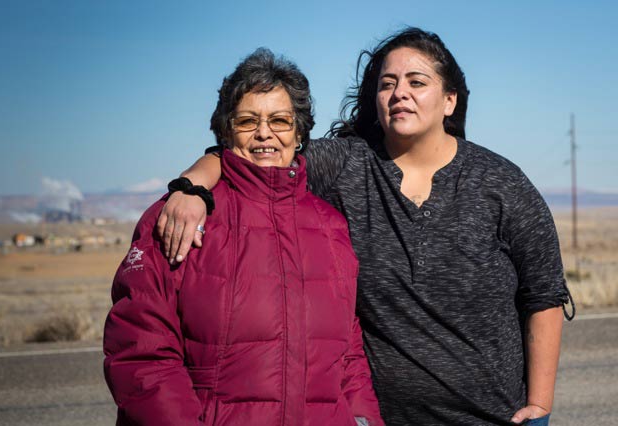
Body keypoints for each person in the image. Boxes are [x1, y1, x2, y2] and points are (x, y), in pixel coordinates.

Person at [157, 28, 574, 425]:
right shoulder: (345, 166)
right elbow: (261, 151)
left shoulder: (502, 184)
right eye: (387, 83)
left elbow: (543, 294)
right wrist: (191, 187)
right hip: (384, 418)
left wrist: (539, 404)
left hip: (491, 416)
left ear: (449, 100)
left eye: (417, 82)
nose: (400, 94)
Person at [103, 48, 384, 426]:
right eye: (248, 120)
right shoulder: (180, 216)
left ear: (299, 132)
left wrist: (363, 420)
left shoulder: (330, 226)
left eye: (280, 120)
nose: (265, 133)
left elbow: (347, 353)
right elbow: (142, 353)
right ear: (225, 130)